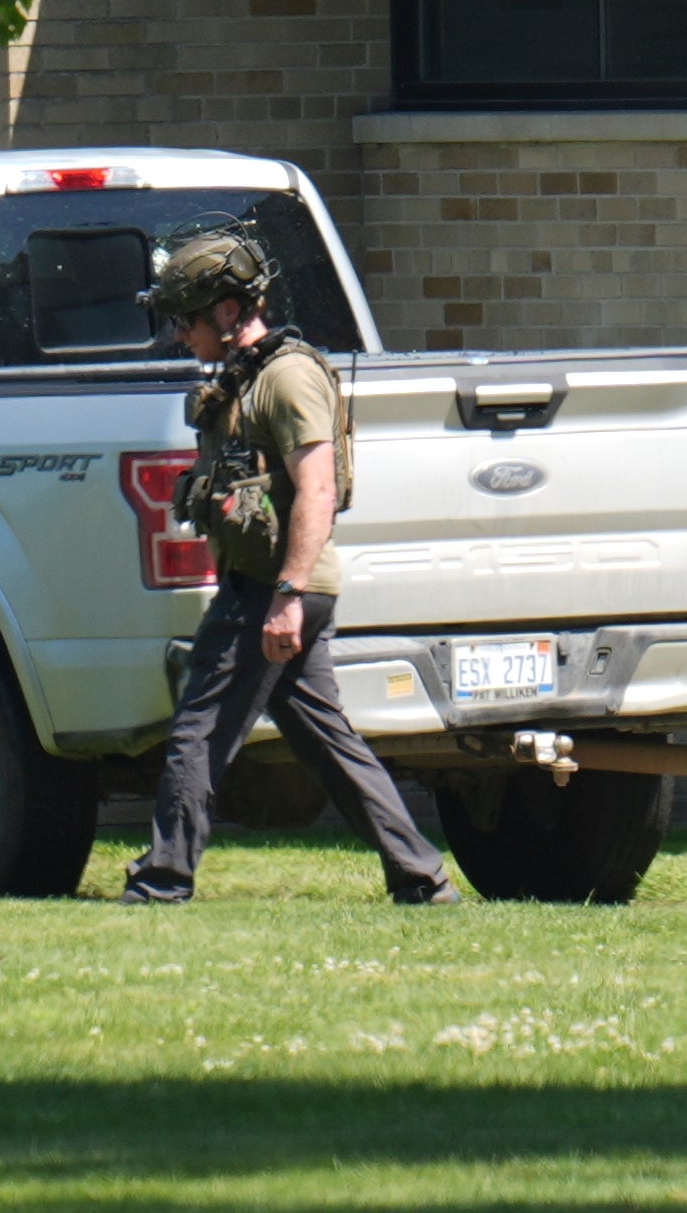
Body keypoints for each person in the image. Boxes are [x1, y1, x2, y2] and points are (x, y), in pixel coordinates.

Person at [122, 229, 459, 907]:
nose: (182, 335)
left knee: (198, 729)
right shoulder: (246, 378)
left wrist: (288, 594)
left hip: (274, 589)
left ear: (227, 310)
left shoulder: (288, 377)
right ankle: (421, 875)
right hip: (274, 586)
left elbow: (318, 488)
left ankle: (163, 878)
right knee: (327, 740)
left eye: (187, 319)